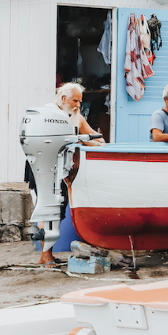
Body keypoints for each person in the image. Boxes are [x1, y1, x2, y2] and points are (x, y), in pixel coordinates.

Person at [37, 83, 104, 268]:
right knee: (47, 211)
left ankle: (47, 256)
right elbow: (66, 138)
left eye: (80, 101)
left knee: (57, 212)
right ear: (63, 98)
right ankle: (45, 256)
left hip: (63, 169)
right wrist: (89, 143)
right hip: (44, 168)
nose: (78, 105)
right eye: (75, 100)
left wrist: (102, 143)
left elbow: (93, 135)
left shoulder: (76, 116)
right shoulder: (50, 113)